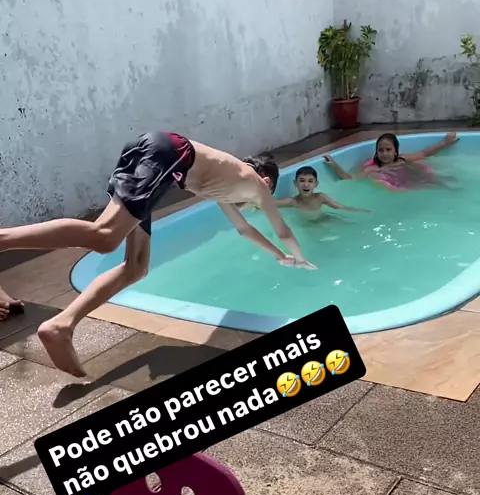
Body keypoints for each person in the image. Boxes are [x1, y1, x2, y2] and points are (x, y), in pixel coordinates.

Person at [0, 132, 315, 377]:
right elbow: (283, 229)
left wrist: (279, 256)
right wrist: (299, 257)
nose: (259, 203)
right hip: (168, 153)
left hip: (160, 157)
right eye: (266, 194)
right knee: (105, 237)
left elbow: (245, 230)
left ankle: (62, 325)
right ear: (266, 181)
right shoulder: (256, 184)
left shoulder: (227, 186)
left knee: (136, 266)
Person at [323, 132, 459, 190]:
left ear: (395, 151)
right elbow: (350, 178)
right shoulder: (372, 169)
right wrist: (334, 165)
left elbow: (425, 153)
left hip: (412, 177)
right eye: (381, 150)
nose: (384, 153)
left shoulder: (403, 159)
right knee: (431, 186)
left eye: (388, 150)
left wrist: (445, 143)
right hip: (397, 185)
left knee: (439, 181)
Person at [274, 165, 370, 220]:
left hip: (324, 219)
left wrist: (360, 211)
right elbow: (270, 203)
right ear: (295, 183)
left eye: (310, 181)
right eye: (302, 181)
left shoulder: (320, 197)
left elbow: (339, 207)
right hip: (308, 226)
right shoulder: (294, 202)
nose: (306, 184)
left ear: (316, 184)